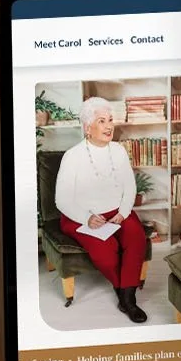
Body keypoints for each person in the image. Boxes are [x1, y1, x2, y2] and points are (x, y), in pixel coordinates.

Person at [55, 96, 149, 322]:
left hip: (117, 211)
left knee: (136, 238)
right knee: (106, 255)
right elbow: (62, 199)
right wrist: (86, 218)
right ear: (88, 128)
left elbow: (130, 186)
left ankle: (128, 299)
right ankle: (123, 289)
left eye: (110, 120)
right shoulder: (72, 156)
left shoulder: (118, 151)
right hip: (81, 216)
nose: (109, 126)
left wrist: (123, 212)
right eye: (101, 121)